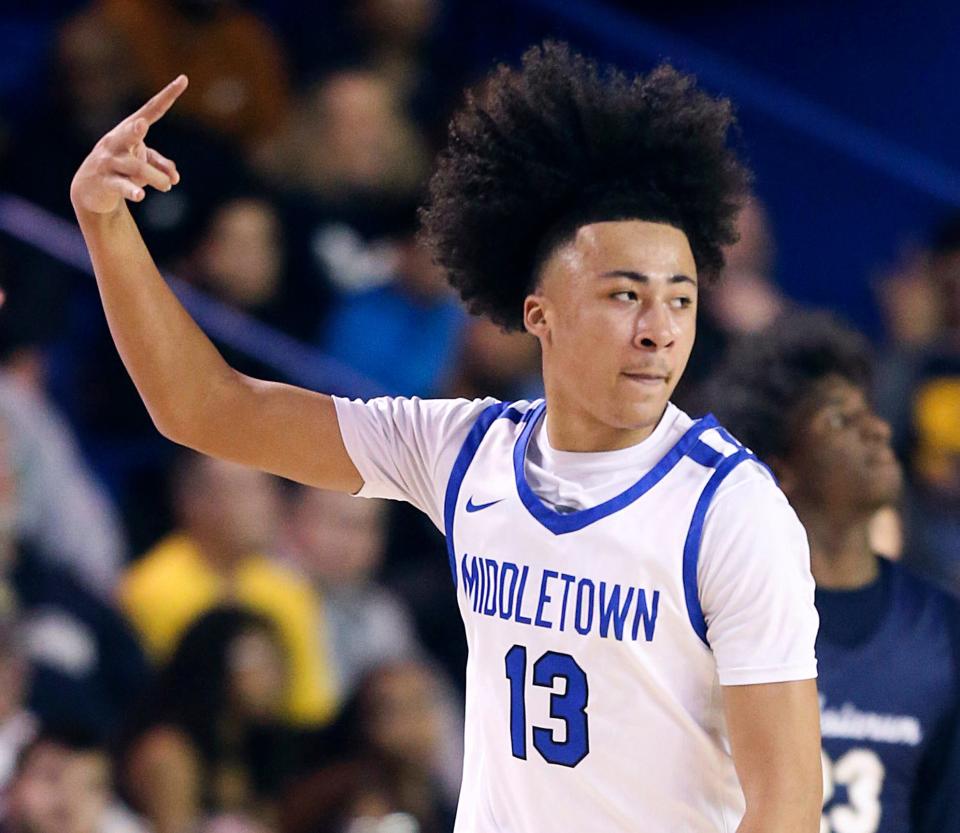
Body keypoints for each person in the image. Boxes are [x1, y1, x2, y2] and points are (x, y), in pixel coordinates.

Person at [70, 41, 822, 832]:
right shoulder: (464, 450)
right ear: (540, 313)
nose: (658, 331)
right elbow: (204, 408)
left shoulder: (732, 510)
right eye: (625, 294)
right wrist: (105, 222)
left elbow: (787, 807)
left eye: (680, 300)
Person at [706, 311, 960, 833]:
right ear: (781, 470)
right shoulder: (725, 613)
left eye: (869, 411)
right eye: (840, 419)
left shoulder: (943, 629)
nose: (879, 429)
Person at [119, 451, 337, 727]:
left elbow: (308, 711)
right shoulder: (151, 592)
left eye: (266, 487)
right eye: (245, 490)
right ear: (193, 501)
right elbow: (158, 707)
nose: (266, 504)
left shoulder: (289, 590)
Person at [121, 608, 292, 833]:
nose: (274, 678)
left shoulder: (254, 750)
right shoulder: (168, 752)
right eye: (259, 663)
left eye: (277, 662)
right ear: (214, 667)